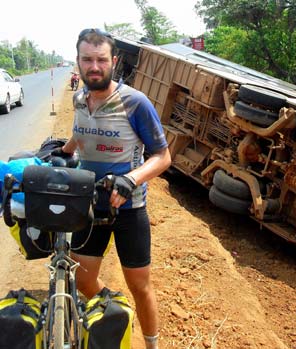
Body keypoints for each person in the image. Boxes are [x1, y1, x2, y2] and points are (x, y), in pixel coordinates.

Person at [55, 28, 171, 349]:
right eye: (87, 59)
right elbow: (81, 135)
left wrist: (131, 178)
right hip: (89, 204)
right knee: (83, 278)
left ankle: (151, 345)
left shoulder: (136, 103)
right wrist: (61, 151)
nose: (95, 66)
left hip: (128, 209)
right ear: (78, 62)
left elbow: (163, 156)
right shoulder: (80, 98)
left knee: (140, 285)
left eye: (101, 60)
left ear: (113, 62)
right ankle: (114, 311)